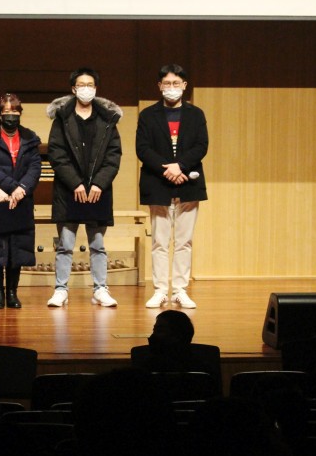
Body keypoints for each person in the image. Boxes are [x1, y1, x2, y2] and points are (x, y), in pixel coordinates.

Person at [45, 67, 123, 307]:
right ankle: (61, 290)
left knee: (97, 245)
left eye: (90, 84)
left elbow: (114, 155)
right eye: (81, 85)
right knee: (65, 245)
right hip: (68, 190)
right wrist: (75, 182)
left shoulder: (107, 119)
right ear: (73, 88)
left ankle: (100, 289)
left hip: (98, 190)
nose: (86, 89)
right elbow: (56, 154)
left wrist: (99, 183)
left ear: (96, 88)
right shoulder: (62, 118)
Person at [136, 63, 208, 309]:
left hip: (188, 182)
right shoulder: (148, 115)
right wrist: (167, 170)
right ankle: (160, 291)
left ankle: (179, 290)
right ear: (159, 86)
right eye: (167, 83)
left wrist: (180, 167)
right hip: (158, 182)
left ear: (184, 85)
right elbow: (143, 149)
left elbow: (201, 146)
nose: (171, 87)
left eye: (176, 83)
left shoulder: (196, 114)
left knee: (184, 241)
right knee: (159, 241)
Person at [0, 93, 42, 309]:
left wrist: (22, 189)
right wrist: (13, 187)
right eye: (6, 112)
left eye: (14, 111)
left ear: (20, 113)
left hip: (21, 199)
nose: (11, 115)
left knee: (17, 247)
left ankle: (12, 292)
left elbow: (35, 167)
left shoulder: (30, 138)